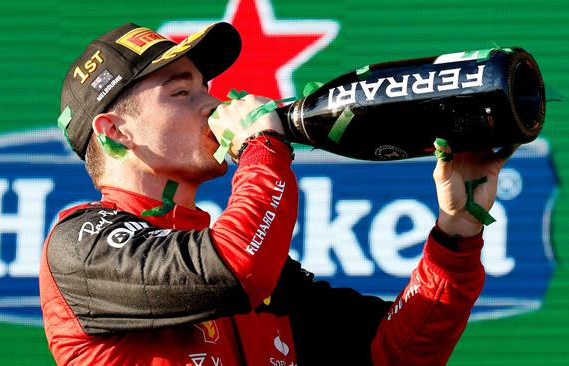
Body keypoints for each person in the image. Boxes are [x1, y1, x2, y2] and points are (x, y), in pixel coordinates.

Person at [40, 21, 514, 365]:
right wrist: (262, 146)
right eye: (181, 93)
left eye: (207, 86)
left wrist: (457, 232)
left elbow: (392, 352)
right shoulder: (81, 245)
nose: (214, 102)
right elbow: (235, 268)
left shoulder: (261, 271)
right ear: (114, 131)